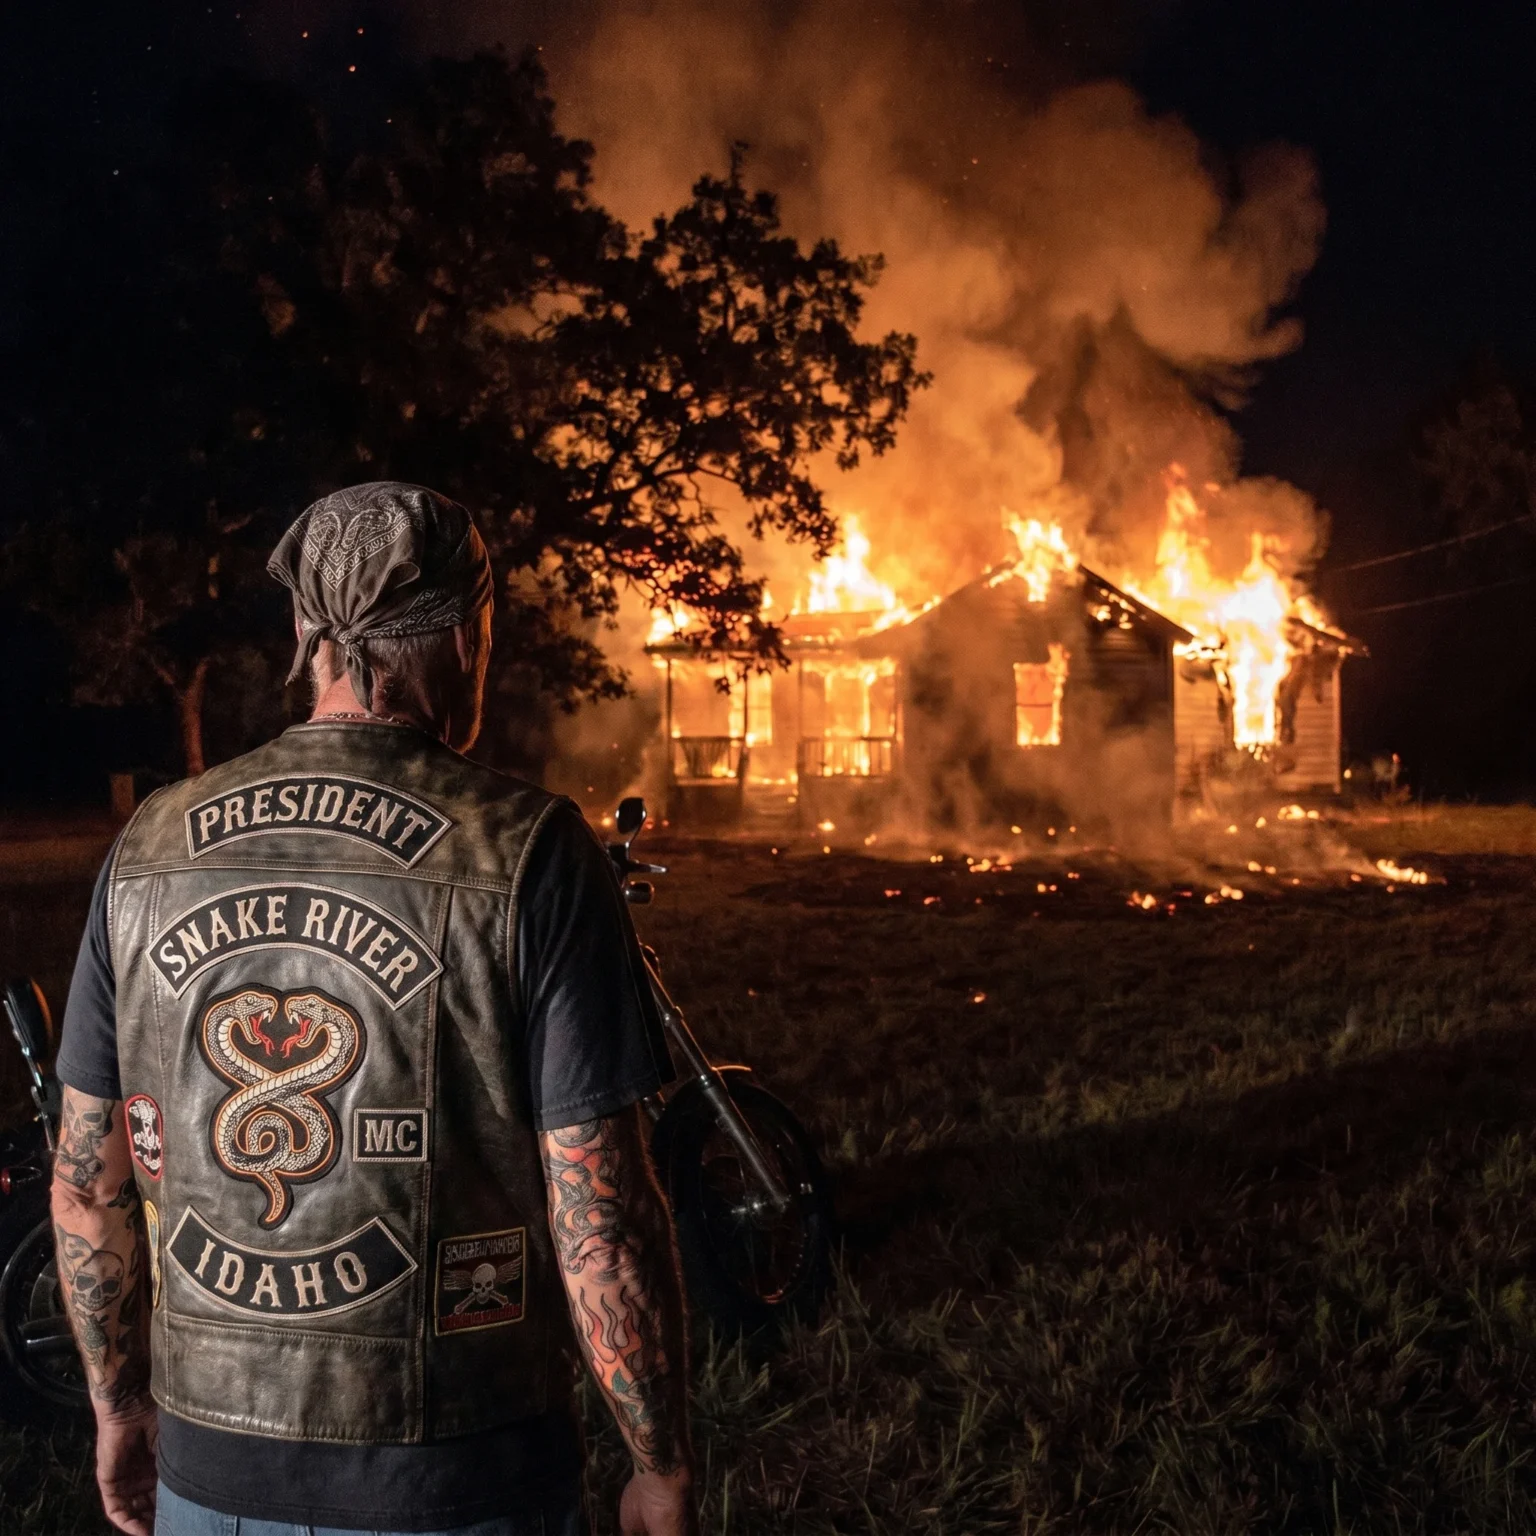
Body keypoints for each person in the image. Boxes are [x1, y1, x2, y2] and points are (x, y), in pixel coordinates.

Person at [49, 482, 697, 1536]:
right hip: (460, 1479)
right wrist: (659, 1463)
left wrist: (118, 1407)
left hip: (210, 1476)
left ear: (306, 638)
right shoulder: (530, 851)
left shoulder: (148, 847)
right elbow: (603, 1226)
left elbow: (88, 1187)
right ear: (464, 639)